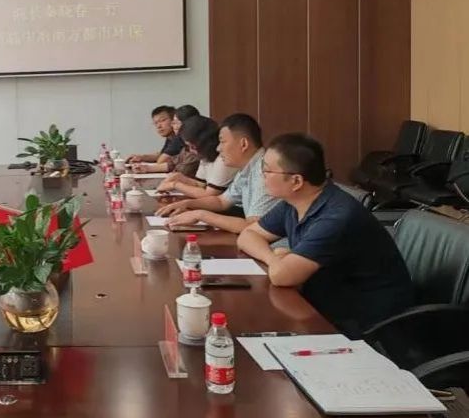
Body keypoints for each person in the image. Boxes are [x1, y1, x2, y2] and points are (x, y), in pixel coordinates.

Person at [237, 133, 414, 336]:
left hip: (367, 323)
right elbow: (247, 236)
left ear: (296, 181)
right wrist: (274, 257)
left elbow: (282, 276)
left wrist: (280, 261)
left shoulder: (337, 217)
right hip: (325, 305)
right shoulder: (293, 203)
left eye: (267, 170)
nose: (262, 176)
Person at [157, 113, 278, 233]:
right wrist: (187, 203)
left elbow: (254, 227)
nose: (218, 148)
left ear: (243, 144)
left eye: (223, 142)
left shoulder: (265, 171)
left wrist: (200, 215)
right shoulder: (247, 168)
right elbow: (221, 201)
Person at [155, 115, 238, 199]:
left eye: (193, 147)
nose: (190, 151)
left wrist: (175, 185)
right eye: (188, 147)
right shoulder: (205, 156)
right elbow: (200, 185)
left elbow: (209, 195)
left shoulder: (224, 159)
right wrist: (180, 178)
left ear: (206, 143)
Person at [125, 106, 184, 171]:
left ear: (174, 120)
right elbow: (161, 155)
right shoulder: (170, 137)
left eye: (162, 120)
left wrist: (146, 167)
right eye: (156, 123)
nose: (158, 126)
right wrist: (140, 157)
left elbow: (161, 160)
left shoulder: (179, 137)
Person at [167, 105, 201, 177]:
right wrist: (146, 168)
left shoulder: (195, 146)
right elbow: (172, 162)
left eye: (176, 122)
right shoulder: (184, 145)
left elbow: (182, 172)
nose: (172, 126)